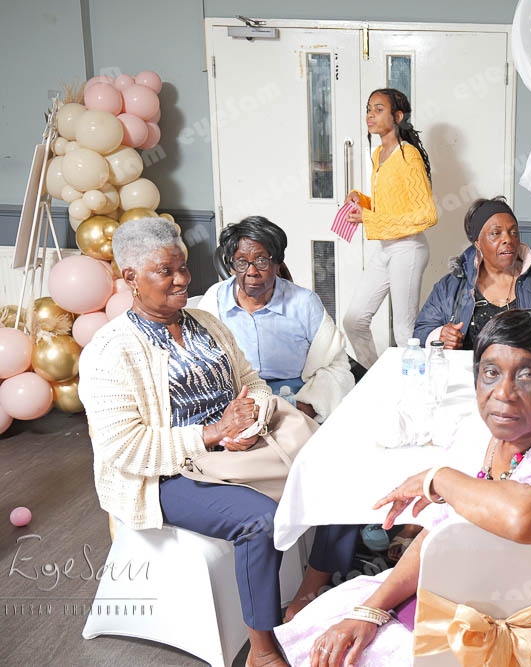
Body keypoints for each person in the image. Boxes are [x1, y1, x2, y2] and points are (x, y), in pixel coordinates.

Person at [78, 218, 361, 667]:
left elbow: (252, 382)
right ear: (130, 277)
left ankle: (308, 592)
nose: (182, 280)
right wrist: (211, 434)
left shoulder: (206, 323)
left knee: (342, 472)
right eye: (166, 271)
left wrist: (249, 419)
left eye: (183, 267)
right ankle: (262, 650)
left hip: (238, 451)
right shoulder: (110, 350)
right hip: (166, 475)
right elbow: (125, 449)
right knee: (260, 521)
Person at [274, 309, 531, 666]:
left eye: (527, 377)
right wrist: (370, 612)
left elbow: (523, 518)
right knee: (326, 639)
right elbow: (437, 536)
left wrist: (439, 478)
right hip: (454, 602)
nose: (504, 393)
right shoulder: (478, 436)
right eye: (491, 373)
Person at [198, 216, 354, 423]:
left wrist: (305, 408)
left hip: (296, 401)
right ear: (232, 265)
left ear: (277, 263)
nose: (251, 272)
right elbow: (200, 365)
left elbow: (335, 366)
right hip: (237, 404)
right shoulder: (215, 300)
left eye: (261, 261)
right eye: (242, 262)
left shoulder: (304, 302)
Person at [343, 88, 437, 368]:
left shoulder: (409, 156)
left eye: (379, 109)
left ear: (397, 116)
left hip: (408, 248)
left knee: (405, 332)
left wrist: (369, 219)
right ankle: (374, 376)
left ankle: (420, 381)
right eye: (369, 109)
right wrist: (362, 200)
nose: (370, 114)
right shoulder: (378, 154)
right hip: (386, 247)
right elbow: (391, 205)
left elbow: (427, 215)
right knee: (354, 320)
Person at [413, 196, 531, 349]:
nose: (508, 240)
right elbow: (421, 332)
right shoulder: (451, 287)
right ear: (477, 243)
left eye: (513, 232)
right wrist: (440, 336)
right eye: (496, 233)